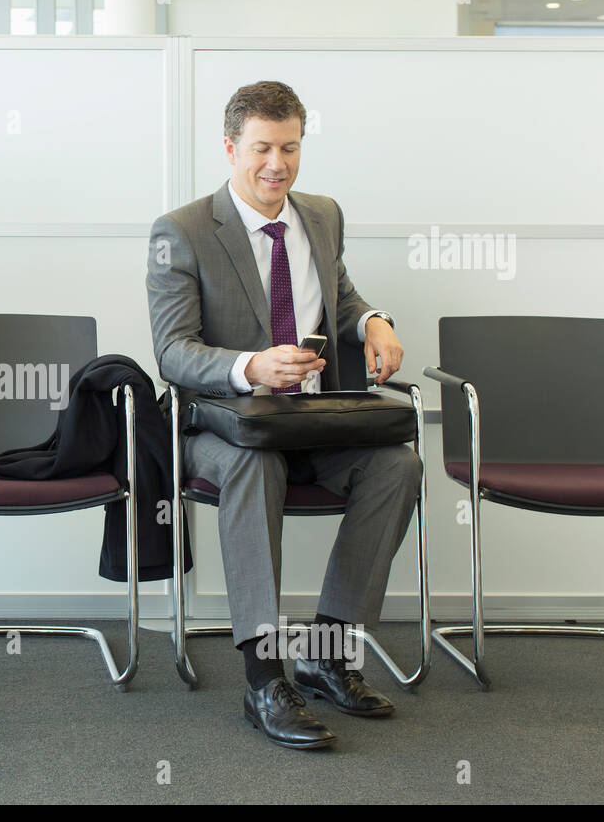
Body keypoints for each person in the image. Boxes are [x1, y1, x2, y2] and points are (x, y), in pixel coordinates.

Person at [146, 80, 420, 750]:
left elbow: (341, 296)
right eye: (263, 148)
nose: (278, 163)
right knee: (253, 463)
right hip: (222, 427)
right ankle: (264, 675)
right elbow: (173, 352)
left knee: (397, 464)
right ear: (230, 147)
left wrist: (374, 322)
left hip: (310, 420)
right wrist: (251, 367)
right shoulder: (180, 232)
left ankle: (325, 654)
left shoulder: (322, 216)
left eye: (290, 147)